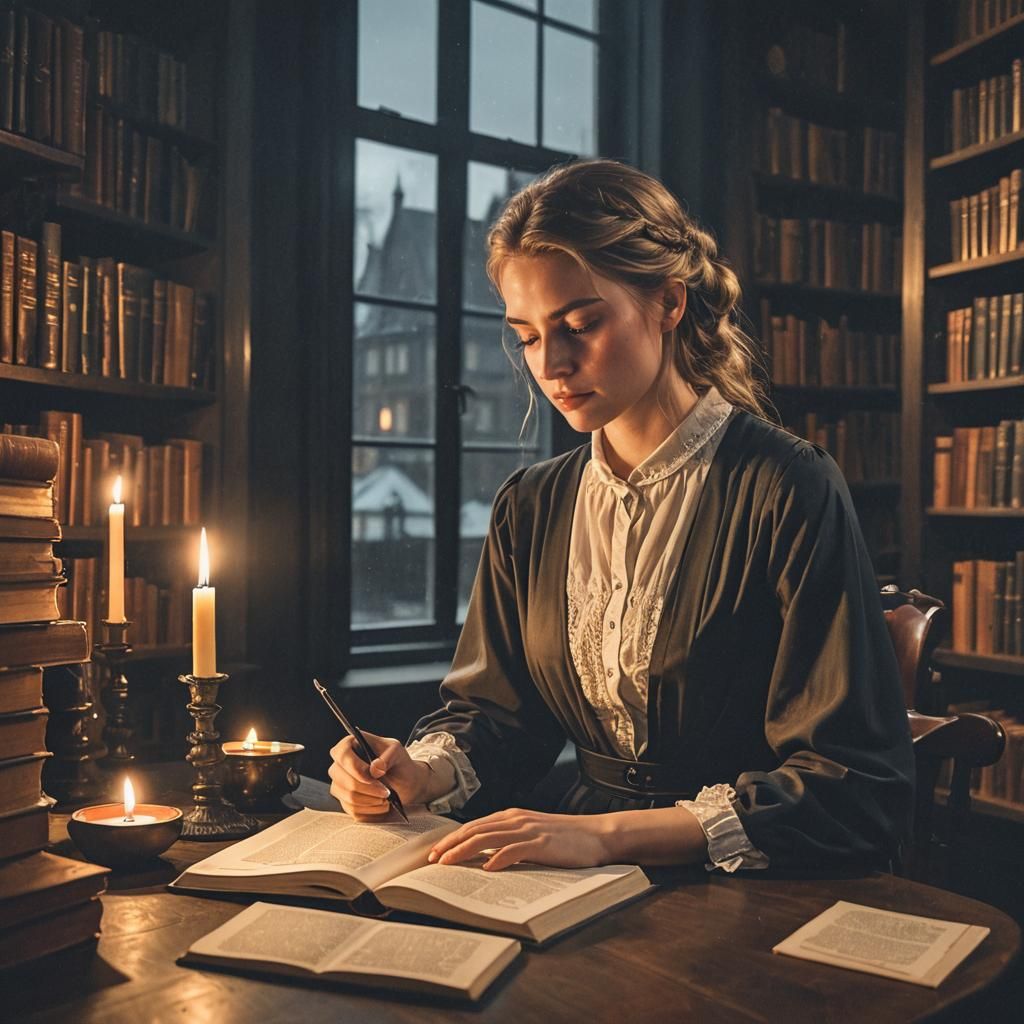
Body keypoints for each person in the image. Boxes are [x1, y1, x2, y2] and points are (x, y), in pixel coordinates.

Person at [328, 159, 914, 876]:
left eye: (579, 324)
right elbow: (497, 717)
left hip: (753, 883)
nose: (552, 364)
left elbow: (851, 785)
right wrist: (419, 773)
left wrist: (610, 835)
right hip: (572, 870)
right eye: (529, 336)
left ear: (668, 303)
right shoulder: (530, 506)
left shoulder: (787, 487)